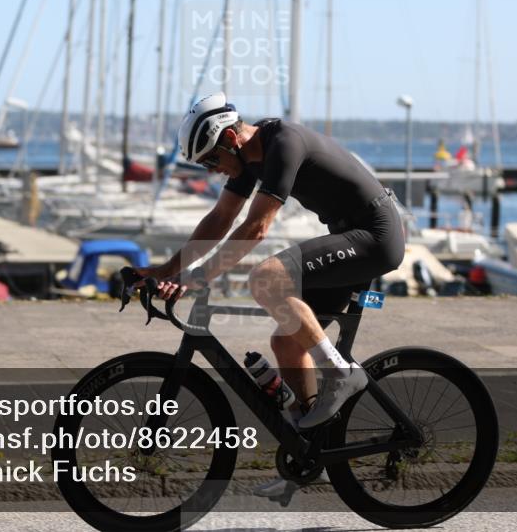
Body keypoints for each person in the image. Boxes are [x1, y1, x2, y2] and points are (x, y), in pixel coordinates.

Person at [136, 93, 405, 495]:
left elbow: (255, 228)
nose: (212, 170)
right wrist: (165, 271)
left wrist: (199, 276)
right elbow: (221, 217)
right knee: (286, 341)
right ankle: (306, 457)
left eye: (211, 160)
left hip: (375, 235)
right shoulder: (248, 157)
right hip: (349, 234)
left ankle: (341, 373)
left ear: (230, 137)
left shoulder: (283, 143)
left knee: (265, 279)